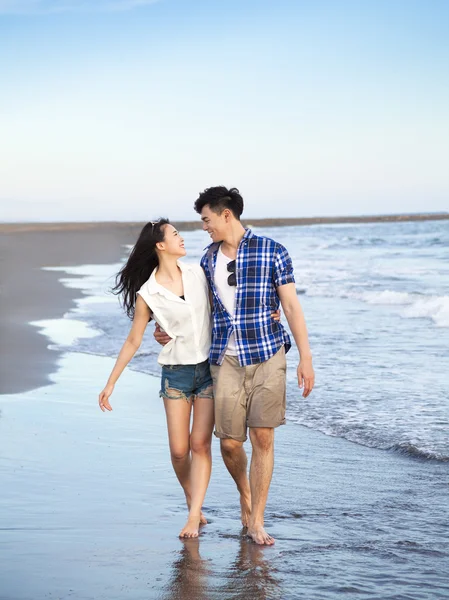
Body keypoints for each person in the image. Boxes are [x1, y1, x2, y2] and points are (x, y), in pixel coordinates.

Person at [156, 187, 315, 546]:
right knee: (229, 443)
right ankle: (245, 493)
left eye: (206, 220)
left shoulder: (273, 251)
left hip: (268, 354)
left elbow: (289, 306)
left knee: (263, 436)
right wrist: (164, 329)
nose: (204, 227)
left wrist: (305, 356)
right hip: (224, 360)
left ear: (226, 214)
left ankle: (256, 519)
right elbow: (194, 308)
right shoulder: (207, 261)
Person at [98, 219, 215, 539]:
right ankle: (193, 499)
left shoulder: (198, 273)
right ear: (160, 245)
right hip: (175, 374)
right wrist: (111, 383)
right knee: (179, 451)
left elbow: (225, 305)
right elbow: (133, 340)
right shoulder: (147, 293)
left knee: (199, 444)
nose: (181, 237)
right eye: (175, 234)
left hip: (208, 371)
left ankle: (194, 515)